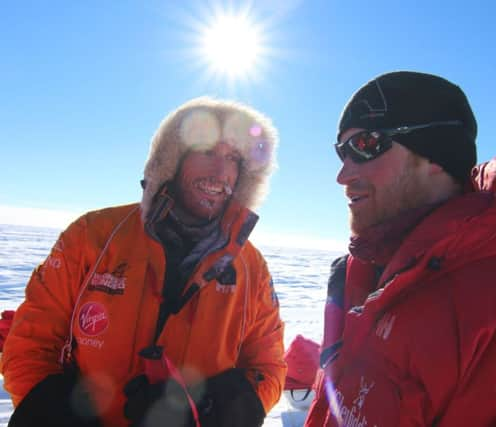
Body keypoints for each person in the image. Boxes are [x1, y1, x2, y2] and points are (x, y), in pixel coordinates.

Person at [305, 71, 496, 426]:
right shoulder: (371, 278)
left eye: (365, 146)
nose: (343, 174)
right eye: (341, 152)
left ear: (436, 155)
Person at [2, 97, 286, 427]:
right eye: (206, 150)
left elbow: (267, 367)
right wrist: (55, 413)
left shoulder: (251, 268)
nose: (220, 171)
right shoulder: (92, 237)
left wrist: (206, 410)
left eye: (233, 158)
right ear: (173, 159)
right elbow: (30, 343)